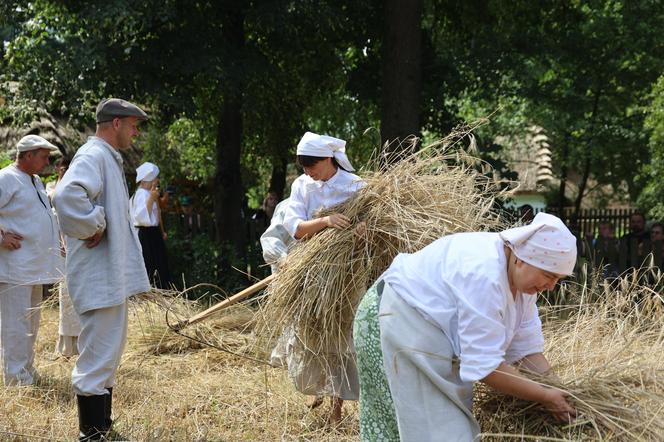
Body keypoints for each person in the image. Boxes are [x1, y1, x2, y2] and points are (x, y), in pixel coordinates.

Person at [353, 212, 577, 441]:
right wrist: (544, 395)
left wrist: (560, 391)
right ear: (521, 259)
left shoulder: (524, 287)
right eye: (548, 275)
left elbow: (526, 351)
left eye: (558, 279)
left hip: (423, 332)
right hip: (390, 319)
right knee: (434, 429)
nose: (551, 286)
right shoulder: (485, 275)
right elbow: (486, 368)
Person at [53, 98, 151, 440]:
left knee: (108, 351)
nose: (135, 133)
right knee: (97, 356)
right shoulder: (93, 155)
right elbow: (66, 196)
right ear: (116, 123)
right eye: (133, 125)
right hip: (98, 275)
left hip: (109, 276)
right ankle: (90, 434)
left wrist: (100, 223)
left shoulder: (105, 157)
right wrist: (96, 224)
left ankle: (102, 425)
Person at [280, 131, 365, 425]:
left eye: (311, 165)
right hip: (310, 274)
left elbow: (371, 227)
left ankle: (337, 407)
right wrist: (326, 221)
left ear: (329, 159)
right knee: (310, 334)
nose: (307, 172)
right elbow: (295, 227)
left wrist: (362, 230)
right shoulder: (302, 186)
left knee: (339, 336)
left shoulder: (355, 186)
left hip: (346, 275)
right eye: (303, 167)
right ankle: (319, 390)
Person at [0, 135, 63, 386]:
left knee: (31, 323)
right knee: (15, 324)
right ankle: (15, 378)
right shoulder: (6, 178)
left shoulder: (35, 180)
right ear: (27, 155)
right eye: (44, 155)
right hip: (15, 266)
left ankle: (25, 369)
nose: (48, 161)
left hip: (34, 266)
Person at [130, 161, 171, 289]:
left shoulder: (148, 193)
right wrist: (151, 199)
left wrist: (162, 231)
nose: (158, 180)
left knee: (160, 264)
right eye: (156, 177)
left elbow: (157, 213)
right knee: (151, 264)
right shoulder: (141, 194)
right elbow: (141, 217)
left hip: (153, 233)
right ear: (150, 179)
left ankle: (161, 290)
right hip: (146, 234)